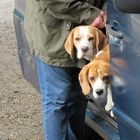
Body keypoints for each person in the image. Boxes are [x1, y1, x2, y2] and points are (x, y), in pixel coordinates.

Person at [24, 0, 106, 140]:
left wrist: (106, 12)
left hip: (86, 35)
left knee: (79, 97)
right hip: (53, 35)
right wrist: (93, 14)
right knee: (58, 101)